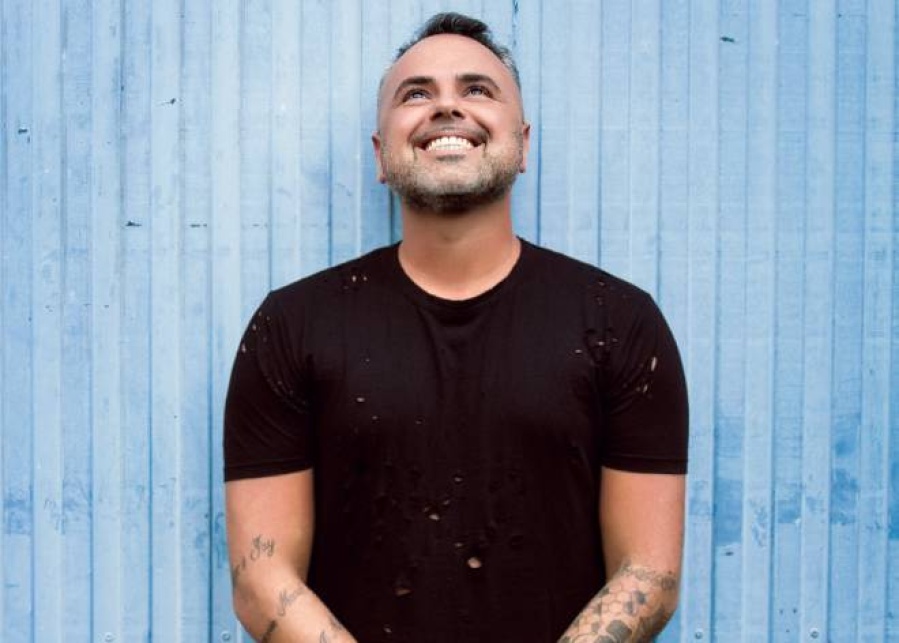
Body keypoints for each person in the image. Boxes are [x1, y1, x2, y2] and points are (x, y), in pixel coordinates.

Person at [224, 12, 688, 643]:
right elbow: (261, 578)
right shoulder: (290, 326)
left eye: (477, 89)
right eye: (416, 94)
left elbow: (649, 573)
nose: (447, 106)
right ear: (380, 155)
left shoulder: (622, 323)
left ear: (523, 145)